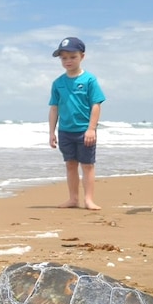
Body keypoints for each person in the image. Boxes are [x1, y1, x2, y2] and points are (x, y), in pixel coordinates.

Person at [48, 37, 106, 210]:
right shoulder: (58, 83)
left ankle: (89, 199)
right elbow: (54, 109)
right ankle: (73, 199)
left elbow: (96, 105)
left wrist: (91, 129)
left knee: (87, 165)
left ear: (82, 56)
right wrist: (52, 132)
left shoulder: (89, 80)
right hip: (65, 131)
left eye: (72, 57)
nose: (68, 61)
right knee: (70, 165)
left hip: (84, 131)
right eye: (64, 58)